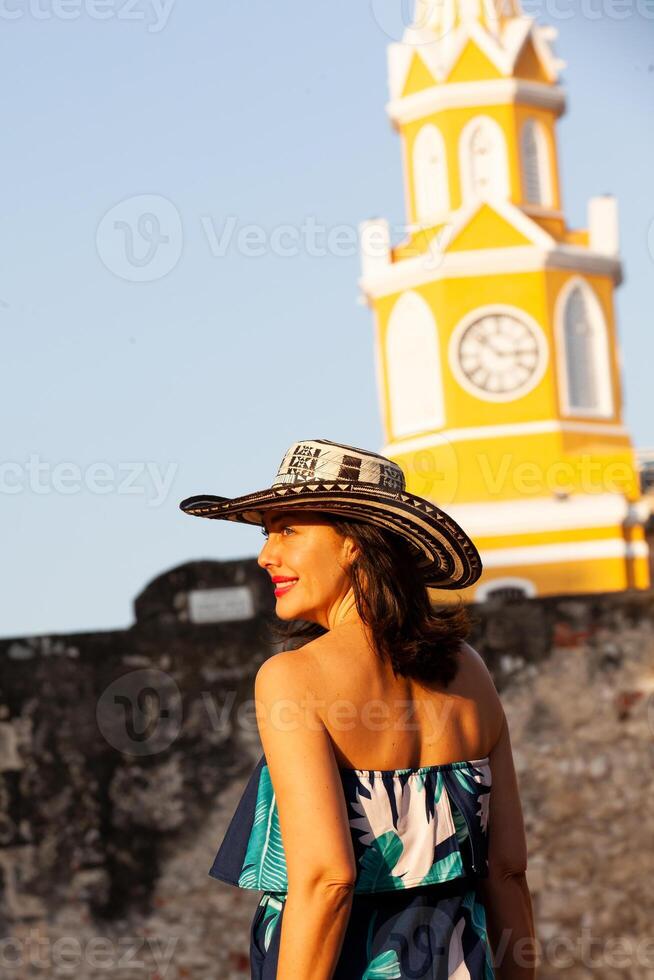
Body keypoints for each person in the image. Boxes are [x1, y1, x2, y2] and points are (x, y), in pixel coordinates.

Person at [179, 438, 536, 979]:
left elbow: (327, 880)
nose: (265, 554)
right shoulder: (470, 672)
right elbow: (507, 871)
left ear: (354, 542)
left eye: (288, 529)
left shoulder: (294, 677)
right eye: (266, 532)